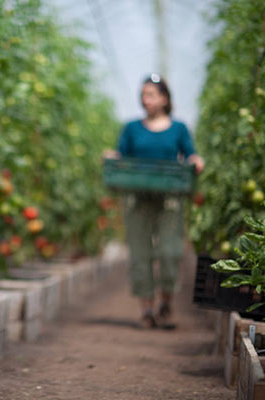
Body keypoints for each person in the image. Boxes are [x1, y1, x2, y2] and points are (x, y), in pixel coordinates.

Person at [104, 74, 204, 329]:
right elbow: (121, 154)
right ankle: (147, 310)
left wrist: (194, 161)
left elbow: (190, 154)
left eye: (151, 94)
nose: (145, 99)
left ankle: (167, 300)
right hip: (138, 198)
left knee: (170, 252)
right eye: (143, 94)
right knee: (140, 253)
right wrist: (112, 156)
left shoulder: (178, 128)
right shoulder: (131, 128)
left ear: (164, 98)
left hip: (169, 198)